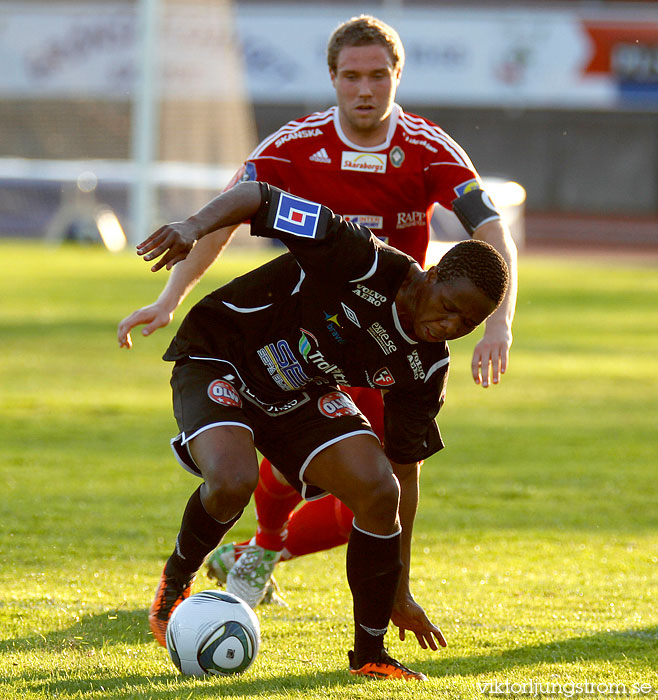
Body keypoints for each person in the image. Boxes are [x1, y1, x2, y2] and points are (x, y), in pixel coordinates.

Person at [117, 15, 517, 608]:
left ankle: (261, 553)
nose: (365, 89)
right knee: (294, 455)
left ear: (396, 77)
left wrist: (500, 323)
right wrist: (170, 297)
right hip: (312, 335)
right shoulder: (295, 144)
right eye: (352, 76)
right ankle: (261, 550)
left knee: (380, 486)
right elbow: (232, 207)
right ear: (332, 78)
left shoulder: (429, 149)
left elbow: (491, 234)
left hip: (398, 345)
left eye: (378, 76)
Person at [133, 179, 509, 680]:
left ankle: (370, 654)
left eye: (468, 323)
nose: (450, 326)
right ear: (434, 273)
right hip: (221, 356)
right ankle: (175, 583)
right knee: (231, 482)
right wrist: (192, 226)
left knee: (380, 490)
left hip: (299, 392)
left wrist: (401, 591)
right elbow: (259, 196)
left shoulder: (425, 366)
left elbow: (406, 470)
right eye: (448, 306)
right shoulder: (360, 257)